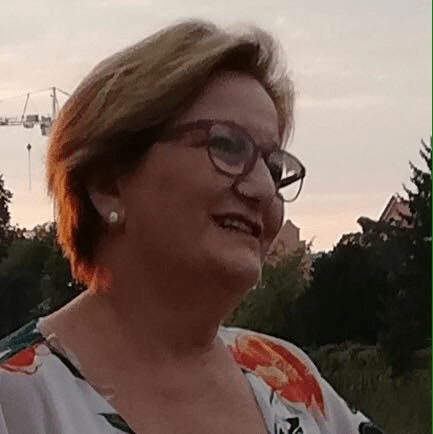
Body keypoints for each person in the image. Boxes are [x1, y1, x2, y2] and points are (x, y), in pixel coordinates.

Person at [0, 20, 384, 434]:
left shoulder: (288, 379)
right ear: (108, 185)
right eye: (226, 145)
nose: (262, 189)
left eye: (274, 168)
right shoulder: (16, 403)